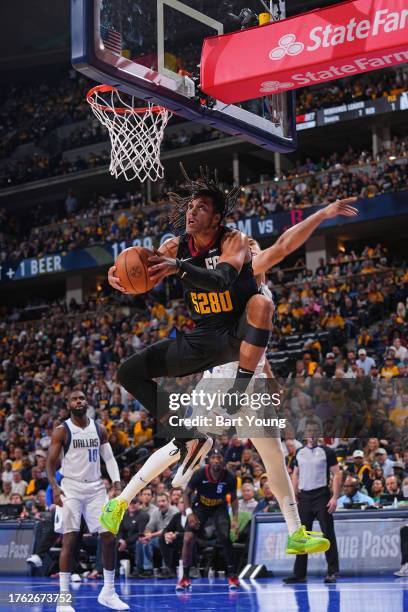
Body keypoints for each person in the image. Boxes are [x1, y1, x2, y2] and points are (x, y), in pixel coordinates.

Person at [102, 188, 357, 539]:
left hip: (248, 377)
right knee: (183, 445)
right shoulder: (226, 265)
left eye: (253, 248)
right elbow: (161, 255)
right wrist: (119, 273)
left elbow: (282, 246)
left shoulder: (255, 281)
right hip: (221, 372)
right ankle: (124, 498)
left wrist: (270, 382)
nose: (252, 250)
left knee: (274, 454)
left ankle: (296, 533)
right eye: (248, 247)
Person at [46, 390, 128, 611]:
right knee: (70, 540)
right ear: (69, 404)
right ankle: (63, 598)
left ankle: (108, 592)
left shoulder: (98, 429)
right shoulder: (62, 431)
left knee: (109, 537)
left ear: (87, 402)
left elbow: (109, 458)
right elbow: (50, 464)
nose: (79, 401)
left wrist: (117, 482)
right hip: (70, 487)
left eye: (82, 398)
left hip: (95, 487)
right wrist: (54, 487)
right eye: (74, 399)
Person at [284, 427, 342, 584]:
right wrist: (293, 495)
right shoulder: (299, 452)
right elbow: (295, 474)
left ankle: (332, 571)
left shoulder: (327, 451)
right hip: (304, 497)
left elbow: (337, 473)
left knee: (328, 533)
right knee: (301, 535)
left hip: (321, 496)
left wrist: (335, 497)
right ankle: (299, 574)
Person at [176, 449, 240, 590]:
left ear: (223, 460)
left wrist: (235, 519)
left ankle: (233, 576)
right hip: (200, 507)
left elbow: (234, 499)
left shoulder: (229, 477)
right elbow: (186, 494)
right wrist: (189, 513)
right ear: (209, 460)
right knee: (187, 538)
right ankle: (185, 577)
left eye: (219, 457)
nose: (216, 460)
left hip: (219, 508)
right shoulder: (199, 474)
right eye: (213, 457)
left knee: (225, 537)